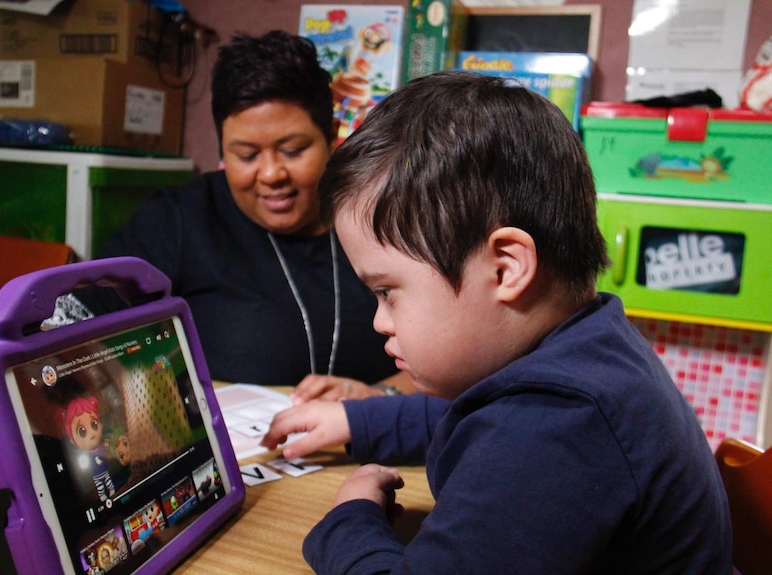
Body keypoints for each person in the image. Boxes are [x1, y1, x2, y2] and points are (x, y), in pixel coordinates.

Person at [260, 72, 732, 573]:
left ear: (506, 268)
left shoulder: (558, 428)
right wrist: (354, 419)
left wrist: (351, 521)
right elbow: (474, 416)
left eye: (386, 292)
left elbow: (510, 434)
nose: (380, 321)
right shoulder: (586, 351)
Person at [49, 30, 411, 399]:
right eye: (246, 155)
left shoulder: (383, 220)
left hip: (374, 449)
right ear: (222, 147)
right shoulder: (179, 221)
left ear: (333, 135)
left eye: (292, 150)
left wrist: (379, 400)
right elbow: (68, 324)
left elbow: (458, 365)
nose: (271, 175)